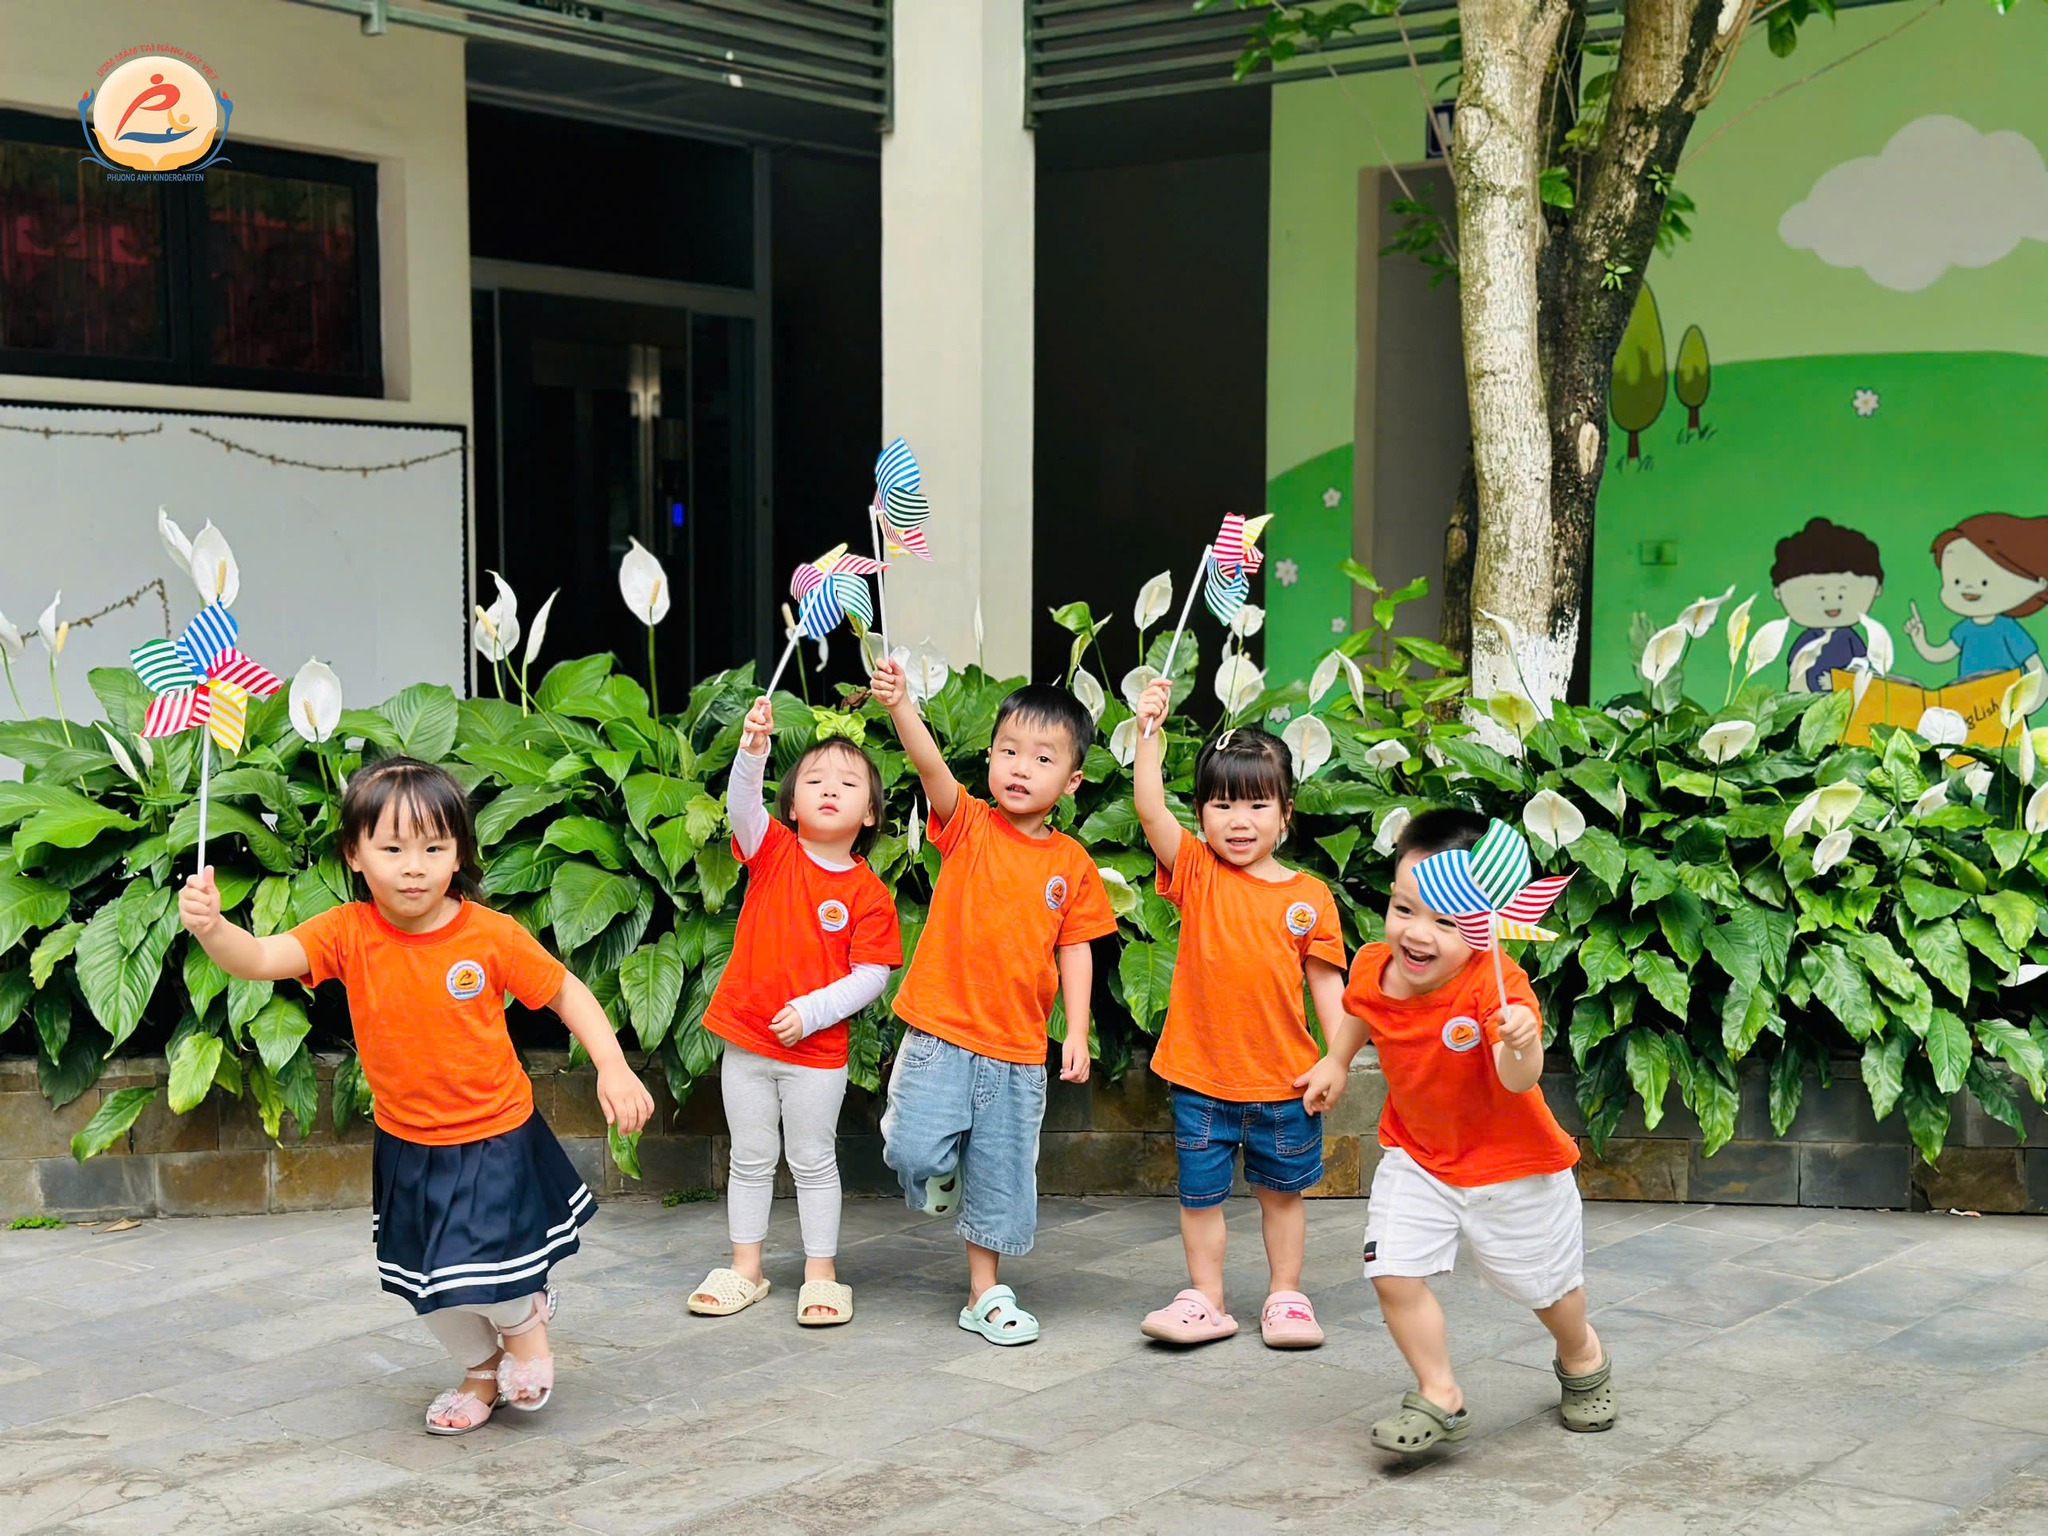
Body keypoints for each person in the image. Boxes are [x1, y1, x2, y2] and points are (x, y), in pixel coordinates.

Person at [178, 756, 653, 1435]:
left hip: (494, 1135)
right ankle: (480, 1371)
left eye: (434, 848)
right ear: (355, 853)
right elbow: (257, 959)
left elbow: (566, 992)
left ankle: (525, 1324)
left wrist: (612, 1065)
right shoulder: (346, 932)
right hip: (408, 1143)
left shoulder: (490, 935)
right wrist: (212, 928)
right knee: (426, 1284)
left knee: (497, 1272)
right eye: (393, 849)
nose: (414, 868)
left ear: (458, 853)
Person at [1310, 807, 1613, 1452]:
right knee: (1392, 1270)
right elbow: (1362, 1011)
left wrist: (1520, 1042)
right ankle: (1440, 1391)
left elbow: (1517, 1079)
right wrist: (1335, 1060)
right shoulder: (1372, 965)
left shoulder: (1496, 987)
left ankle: (1582, 1352)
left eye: (1446, 921)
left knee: (1547, 1290)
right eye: (1403, 909)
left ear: (1487, 923)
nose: (1417, 933)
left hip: (1515, 1168)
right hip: (1418, 1156)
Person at [867, 658, 1116, 1346]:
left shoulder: (1071, 865)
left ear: (1072, 782)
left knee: (1001, 1178)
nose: (1020, 768)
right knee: (913, 1151)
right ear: (990, 758)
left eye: (1042, 758)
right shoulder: (969, 824)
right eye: (1009, 751)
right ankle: (936, 1174)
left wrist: (1075, 1030)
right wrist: (901, 706)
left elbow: (1076, 948)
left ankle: (985, 1293)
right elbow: (930, 768)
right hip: (941, 1035)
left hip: (1016, 1050)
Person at [1128, 679, 1348, 1349]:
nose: (1239, 820)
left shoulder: (1311, 896)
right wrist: (1147, 734)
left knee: (1283, 1196)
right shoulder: (1197, 870)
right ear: (1200, 814)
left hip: (1285, 1083)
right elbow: (1149, 809)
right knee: (1199, 1198)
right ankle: (1207, 1299)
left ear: (1286, 813)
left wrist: (1336, 1061)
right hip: (1201, 1081)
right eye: (1222, 804)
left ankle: (1286, 1297)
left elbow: (1328, 987)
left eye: (1257, 804)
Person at [689, 697, 901, 1326]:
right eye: (814, 781)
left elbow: (872, 976)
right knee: (750, 1157)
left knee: (813, 1160)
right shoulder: (773, 849)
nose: (829, 790)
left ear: (870, 813)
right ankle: (745, 1269)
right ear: (790, 806)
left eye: (848, 784)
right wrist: (752, 751)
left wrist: (812, 1012)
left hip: (817, 1055)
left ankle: (822, 1275)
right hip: (746, 1041)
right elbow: (741, 807)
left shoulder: (869, 895)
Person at [1906, 513, 2048, 683]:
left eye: (1984, 582)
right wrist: (1919, 639)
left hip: (2004, 696)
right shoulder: (1965, 629)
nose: (1968, 589)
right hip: (1968, 695)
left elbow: (2037, 670)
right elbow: (1940, 654)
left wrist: (2032, 698)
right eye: (1956, 582)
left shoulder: (2008, 629)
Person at [1769, 517, 1884, 693]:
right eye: (1821, 595)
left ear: (1877, 589)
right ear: (1778, 592)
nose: (1831, 602)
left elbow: (1862, 668)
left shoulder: (1849, 638)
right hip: (1812, 701)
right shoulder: (1809, 639)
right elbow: (1797, 673)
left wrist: (1838, 682)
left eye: (1841, 594)